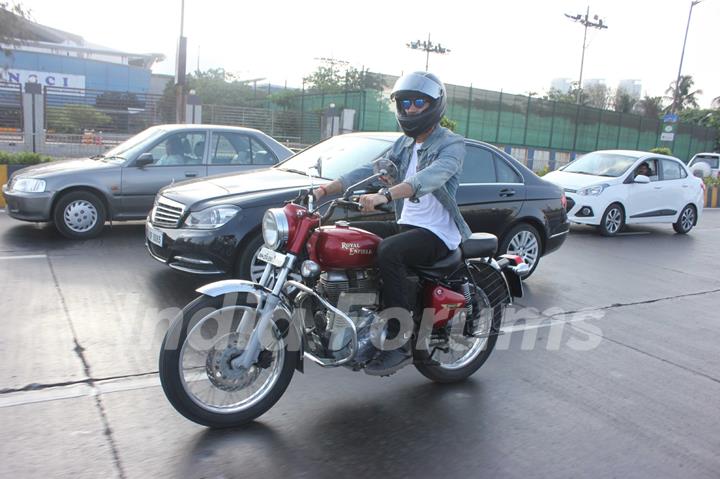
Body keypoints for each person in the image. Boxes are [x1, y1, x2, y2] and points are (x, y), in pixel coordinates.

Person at [313, 71, 471, 373]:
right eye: (406, 102)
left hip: (437, 233)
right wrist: (323, 190)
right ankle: (347, 313)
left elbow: (429, 178)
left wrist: (385, 195)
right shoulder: (403, 145)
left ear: (434, 106)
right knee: (340, 236)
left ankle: (397, 340)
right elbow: (365, 170)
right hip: (407, 223)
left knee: (389, 251)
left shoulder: (452, 144)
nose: (411, 108)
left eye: (419, 102)